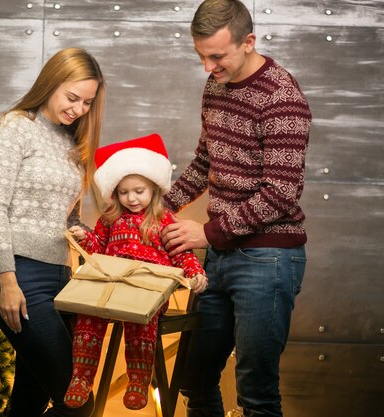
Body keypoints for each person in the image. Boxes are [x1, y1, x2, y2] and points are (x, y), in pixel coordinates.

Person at [161, 1, 312, 416]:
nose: (208, 67)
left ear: (249, 42)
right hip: (220, 257)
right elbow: (207, 162)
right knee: (195, 378)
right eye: (201, 56)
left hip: (268, 258)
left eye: (217, 56)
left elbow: (281, 193)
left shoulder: (282, 96)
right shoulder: (215, 85)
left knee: (256, 392)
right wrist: (162, 206)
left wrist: (205, 234)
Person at [0, 47, 105, 417]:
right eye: (73, 98)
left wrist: (83, 231)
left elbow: (67, 219)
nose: (79, 109)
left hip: (62, 277)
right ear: (51, 83)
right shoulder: (16, 127)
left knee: (29, 402)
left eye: (87, 102)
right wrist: (7, 280)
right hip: (22, 276)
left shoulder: (73, 142)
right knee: (77, 401)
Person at [63, 134, 208, 411]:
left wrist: (193, 273)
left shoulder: (163, 219)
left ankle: (139, 381)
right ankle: (81, 377)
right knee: (88, 317)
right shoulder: (110, 218)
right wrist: (84, 237)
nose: (131, 198)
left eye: (139, 191)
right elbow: (98, 250)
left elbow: (182, 252)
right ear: (115, 193)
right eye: (124, 192)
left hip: (147, 290)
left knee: (142, 321)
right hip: (110, 286)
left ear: (153, 189)